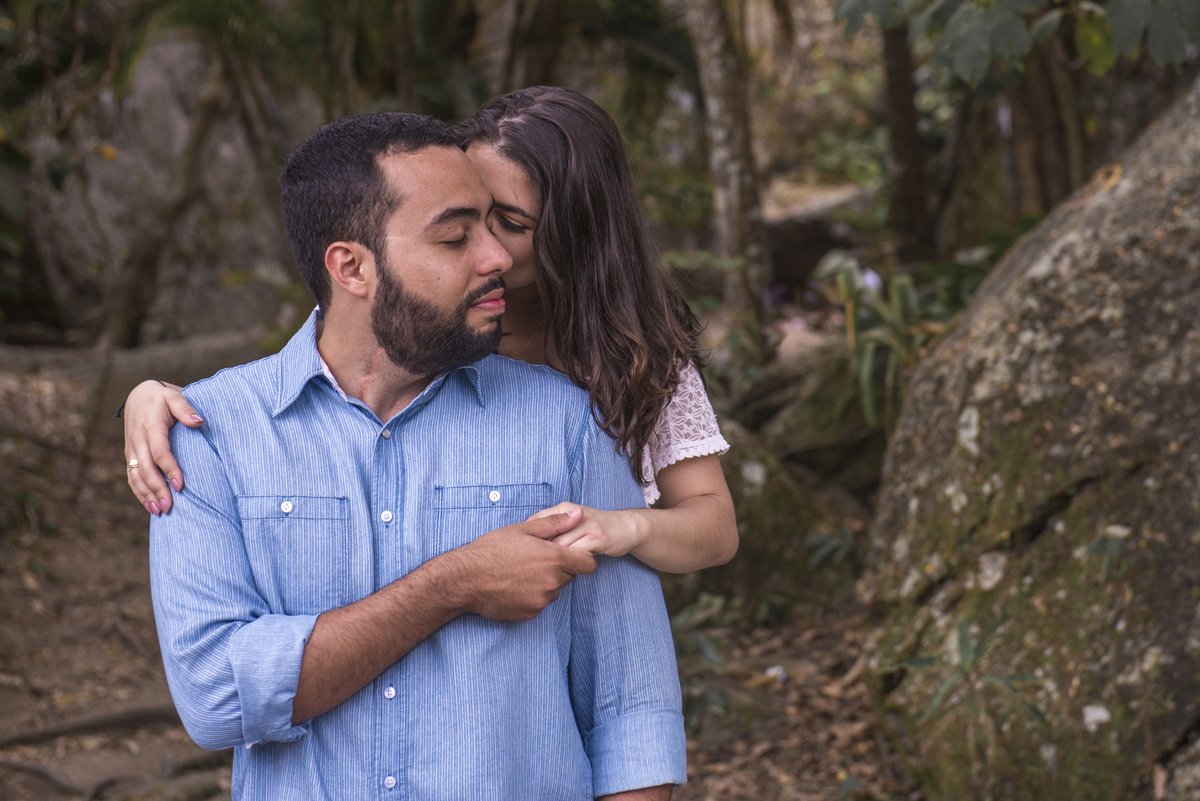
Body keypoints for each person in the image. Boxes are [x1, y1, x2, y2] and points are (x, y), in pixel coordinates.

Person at [151, 112, 685, 799]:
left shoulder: (568, 423)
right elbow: (218, 696)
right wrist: (454, 583)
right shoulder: (209, 436)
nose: (496, 257)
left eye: (495, 228)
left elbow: (632, 711)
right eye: (456, 237)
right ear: (352, 266)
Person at [124, 87, 737, 576]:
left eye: (509, 224)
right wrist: (156, 398)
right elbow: (318, 377)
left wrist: (627, 525)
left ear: (574, 237)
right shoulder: (435, 321)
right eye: (461, 219)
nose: (485, 246)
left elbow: (713, 526)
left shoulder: (629, 345)